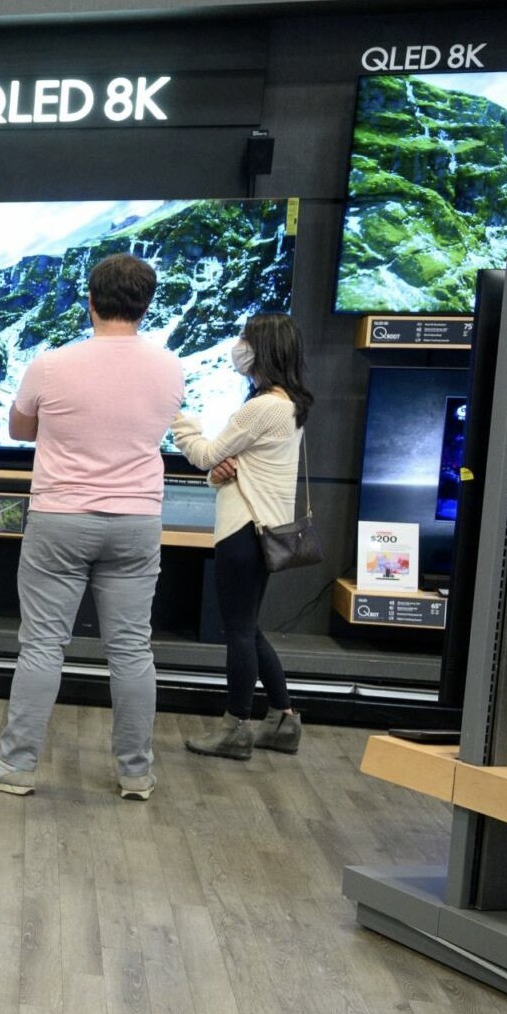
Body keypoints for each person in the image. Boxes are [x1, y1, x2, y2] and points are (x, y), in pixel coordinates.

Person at [0, 253, 184, 802]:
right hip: (136, 520)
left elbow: (18, 429)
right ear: (146, 306)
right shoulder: (170, 366)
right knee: (132, 650)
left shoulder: (52, 363)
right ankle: (135, 773)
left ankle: (16, 764)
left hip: (61, 518)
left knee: (42, 646)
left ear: (90, 302)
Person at [173, 313, 309, 760]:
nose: (239, 346)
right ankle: (285, 719)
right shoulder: (289, 404)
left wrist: (178, 420)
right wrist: (221, 473)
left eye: (247, 339)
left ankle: (236, 728)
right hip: (265, 532)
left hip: (241, 532)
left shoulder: (262, 407)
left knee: (238, 633)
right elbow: (233, 467)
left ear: (263, 349)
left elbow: (206, 455)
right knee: (249, 629)